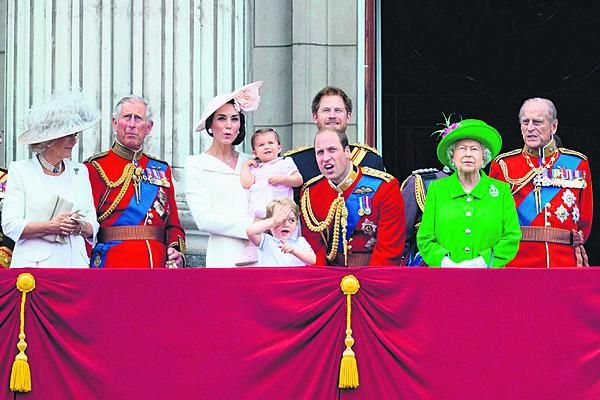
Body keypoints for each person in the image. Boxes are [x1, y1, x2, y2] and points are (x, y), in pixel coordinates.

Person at [489, 98, 593, 267]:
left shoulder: (577, 163)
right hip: (516, 261)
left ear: (554, 126)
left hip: (563, 261)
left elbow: (585, 220)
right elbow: (492, 219)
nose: (530, 128)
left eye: (537, 122)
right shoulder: (503, 165)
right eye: (525, 122)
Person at [85, 95, 185, 268]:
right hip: (112, 264)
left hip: (156, 263)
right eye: (126, 117)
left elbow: (173, 225)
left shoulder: (162, 169)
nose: (131, 124)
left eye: (138, 118)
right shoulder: (95, 167)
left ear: (148, 127)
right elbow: (87, 224)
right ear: (115, 123)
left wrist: (176, 251)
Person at [2, 91, 100, 268]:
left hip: (75, 266)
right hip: (35, 267)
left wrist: (78, 226)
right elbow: (10, 224)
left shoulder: (80, 171)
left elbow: (93, 224)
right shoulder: (21, 170)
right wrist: (51, 227)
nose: (74, 141)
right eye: (68, 135)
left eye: (75, 135)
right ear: (49, 139)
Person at [416, 118, 521, 268]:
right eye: (462, 149)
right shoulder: (437, 190)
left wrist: (483, 262)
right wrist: (445, 262)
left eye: (474, 149)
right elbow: (425, 237)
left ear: (484, 156)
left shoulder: (501, 191)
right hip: (446, 277)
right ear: (452, 156)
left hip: (490, 278)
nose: (468, 154)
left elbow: (511, 236)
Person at [300, 128, 406, 266]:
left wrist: (370, 282)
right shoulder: (310, 193)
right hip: (330, 277)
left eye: (332, 150)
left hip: (373, 275)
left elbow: (389, 250)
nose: (326, 158)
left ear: (347, 152)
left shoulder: (384, 187)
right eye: (320, 152)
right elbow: (314, 249)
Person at [184, 81, 262, 267]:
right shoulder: (196, 164)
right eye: (221, 118)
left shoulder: (252, 161)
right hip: (223, 254)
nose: (228, 125)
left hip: (260, 251)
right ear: (211, 124)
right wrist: (252, 227)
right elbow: (203, 219)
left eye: (234, 119)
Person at [284, 86, 385, 183]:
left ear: (348, 116)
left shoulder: (370, 160)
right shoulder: (295, 162)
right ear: (315, 117)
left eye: (338, 110)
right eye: (326, 110)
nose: (332, 116)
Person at [237, 128, 303, 265]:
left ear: (279, 147)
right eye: (261, 145)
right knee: (255, 227)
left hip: (281, 207)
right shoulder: (256, 168)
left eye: (270, 143)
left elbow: (298, 180)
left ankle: (288, 254)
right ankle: (251, 251)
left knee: (284, 230)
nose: (266, 147)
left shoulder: (285, 163)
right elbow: (246, 183)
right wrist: (245, 166)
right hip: (261, 207)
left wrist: (283, 179)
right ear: (254, 152)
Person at [246, 198, 316, 266]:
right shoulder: (266, 241)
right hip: (273, 277)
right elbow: (250, 231)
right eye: (281, 221)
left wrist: (294, 250)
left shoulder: (300, 242)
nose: (286, 224)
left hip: (295, 277)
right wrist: (273, 221)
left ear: (296, 224)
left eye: (291, 220)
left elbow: (312, 260)